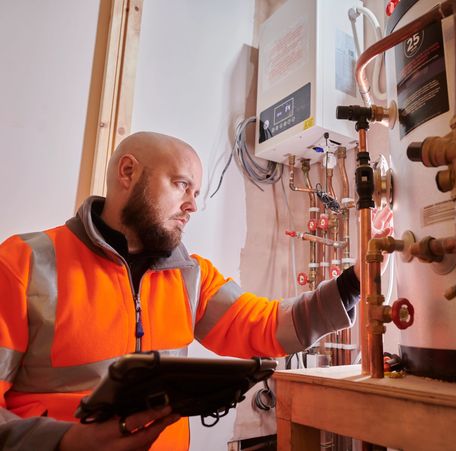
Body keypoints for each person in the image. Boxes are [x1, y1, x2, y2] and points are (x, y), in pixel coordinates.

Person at [0, 132, 362, 450]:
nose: (193, 205)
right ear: (128, 172)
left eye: (197, 192)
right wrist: (65, 442)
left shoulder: (191, 276)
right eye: (181, 184)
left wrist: (355, 282)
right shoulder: (23, 263)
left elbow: (267, 325)